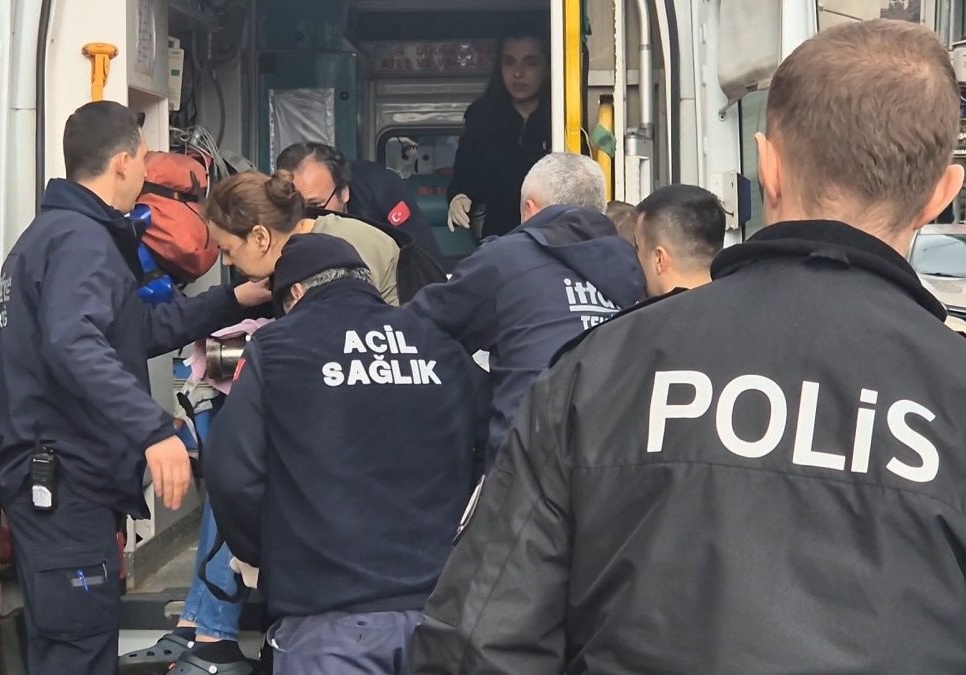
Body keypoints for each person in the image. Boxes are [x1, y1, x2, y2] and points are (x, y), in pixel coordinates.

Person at [410, 19, 966, 673]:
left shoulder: (600, 372)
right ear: (943, 193)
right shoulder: (950, 390)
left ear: (768, 166)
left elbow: (478, 640)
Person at [0, 100, 269, 675]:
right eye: (143, 160)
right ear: (121, 163)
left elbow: (135, 331)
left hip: (64, 484)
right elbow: (74, 342)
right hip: (66, 482)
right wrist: (153, 430)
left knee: (74, 642)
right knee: (78, 650)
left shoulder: (56, 235)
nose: (145, 172)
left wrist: (231, 300)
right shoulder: (80, 240)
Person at [204, 233, 484, 674]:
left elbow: (232, 472)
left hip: (328, 617)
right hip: (444, 610)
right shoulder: (439, 343)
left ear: (296, 292)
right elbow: (493, 453)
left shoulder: (276, 347)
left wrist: (269, 554)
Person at [407, 152, 645, 465]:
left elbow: (417, 330)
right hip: (617, 456)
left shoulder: (505, 259)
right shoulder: (636, 267)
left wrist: (479, 392)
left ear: (530, 208)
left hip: (526, 460)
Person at [205, 170, 402, 305]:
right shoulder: (303, 251)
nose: (226, 262)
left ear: (261, 238)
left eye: (227, 250)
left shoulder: (342, 250)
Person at [447, 29, 551, 239]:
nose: (518, 73)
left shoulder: (562, 116)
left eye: (530, 63)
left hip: (550, 233)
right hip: (498, 236)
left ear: (547, 67)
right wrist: (459, 196)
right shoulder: (482, 117)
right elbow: (465, 172)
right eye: (509, 62)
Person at [277, 141, 445, 265]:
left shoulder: (381, 189)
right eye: (295, 206)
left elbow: (424, 256)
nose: (305, 217)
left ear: (344, 192)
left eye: (316, 205)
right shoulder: (275, 208)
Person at [634, 184, 726, 296]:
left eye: (638, 248)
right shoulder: (741, 300)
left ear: (659, 259)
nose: (636, 257)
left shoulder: (655, 308)